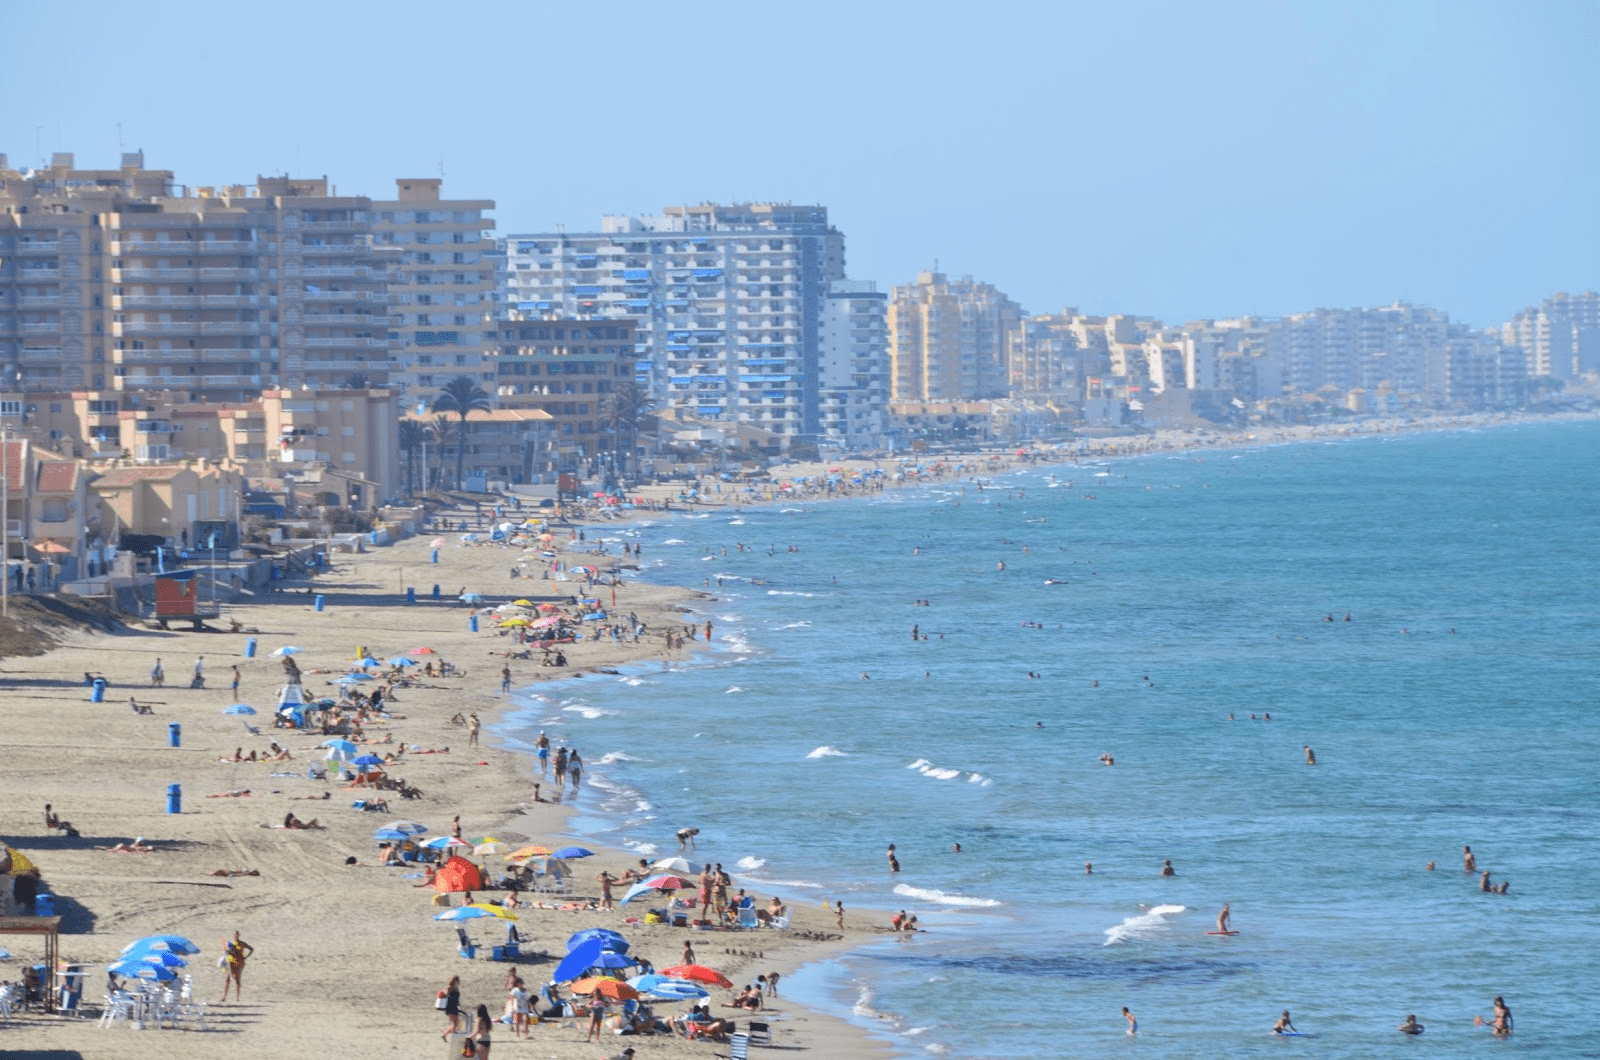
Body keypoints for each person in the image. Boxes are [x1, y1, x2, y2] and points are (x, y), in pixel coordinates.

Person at [219, 930, 253, 1002]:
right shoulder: (230, 944)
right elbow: (226, 952)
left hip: (239, 962)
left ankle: (237, 998)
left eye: (236, 934)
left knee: (237, 979)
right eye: (234, 934)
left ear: (238, 935)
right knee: (227, 979)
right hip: (230, 962)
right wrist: (227, 951)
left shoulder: (242, 943)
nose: (235, 936)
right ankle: (224, 997)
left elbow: (251, 949)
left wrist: (246, 957)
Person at [441, 975, 463, 1040]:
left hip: (455, 1007)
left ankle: (445, 1034)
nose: (458, 982)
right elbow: (446, 995)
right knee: (455, 1024)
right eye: (457, 981)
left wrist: (459, 1006)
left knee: (456, 1024)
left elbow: (457, 999)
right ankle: (445, 1034)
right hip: (450, 1007)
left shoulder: (456, 988)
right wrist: (445, 991)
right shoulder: (449, 987)